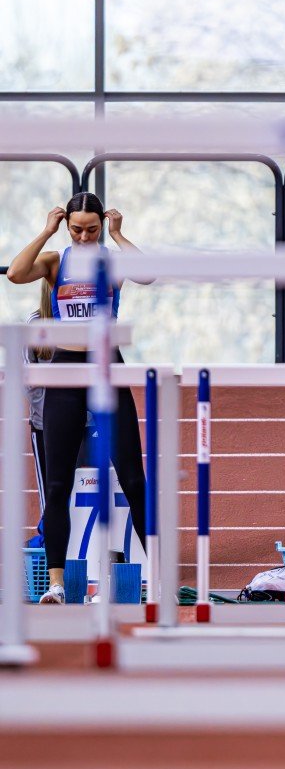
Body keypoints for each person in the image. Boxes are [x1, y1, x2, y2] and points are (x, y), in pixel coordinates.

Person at [7, 193, 148, 604]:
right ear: (67, 226)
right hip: (66, 370)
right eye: (77, 229)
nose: (84, 237)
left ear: (101, 225)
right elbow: (15, 273)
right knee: (57, 483)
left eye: (92, 229)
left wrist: (120, 235)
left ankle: (157, 577)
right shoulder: (55, 261)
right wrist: (47, 231)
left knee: (133, 478)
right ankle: (55, 583)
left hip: (107, 365)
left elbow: (149, 274)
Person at [23, 280, 95, 548]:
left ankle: (83, 562)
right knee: (54, 498)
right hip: (45, 426)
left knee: (83, 493)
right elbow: (30, 381)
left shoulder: (83, 322)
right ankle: (52, 571)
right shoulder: (35, 324)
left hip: (82, 424)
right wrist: (51, 418)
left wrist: (84, 415)